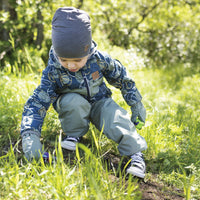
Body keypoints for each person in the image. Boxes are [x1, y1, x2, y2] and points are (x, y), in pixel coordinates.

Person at [21, 7, 147, 178]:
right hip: (73, 106)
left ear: (87, 51)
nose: (71, 66)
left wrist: (136, 103)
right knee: (72, 101)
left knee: (115, 117)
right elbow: (37, 104)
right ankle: (74, 136)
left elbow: (122, 77)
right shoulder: (53, 71)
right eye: (64, 60)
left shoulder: (99, 59)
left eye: (78, 60)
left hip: (99, 102)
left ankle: (136, 156)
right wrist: (30, 136)